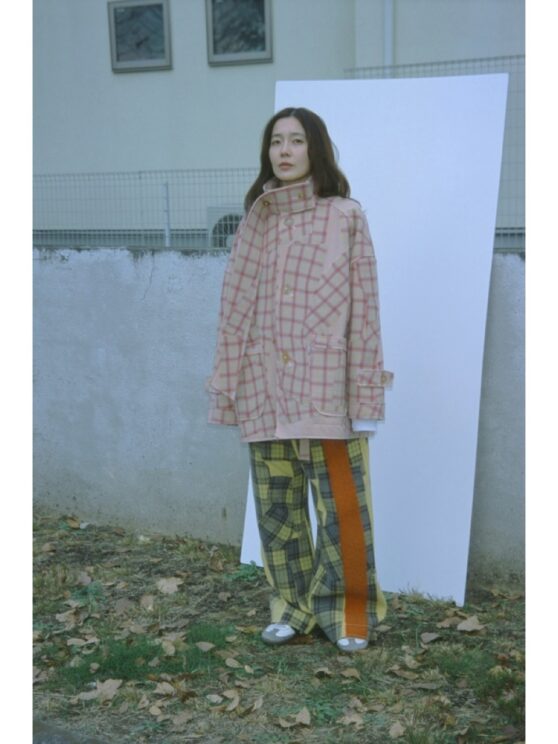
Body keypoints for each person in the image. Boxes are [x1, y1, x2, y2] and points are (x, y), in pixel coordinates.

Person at [207, 107, 393, 652]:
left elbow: (365, 311)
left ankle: (347, 611)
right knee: (277, 507)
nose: (284, 151)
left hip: (326, 386)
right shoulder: (257, 220)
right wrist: (229, 384)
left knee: (343, 510)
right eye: (275, 141)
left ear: (316, 149)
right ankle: (291, 607)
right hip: (264, 386)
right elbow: (234, 310)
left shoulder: (345, 216)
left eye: (295, 141)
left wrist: (365, 395)